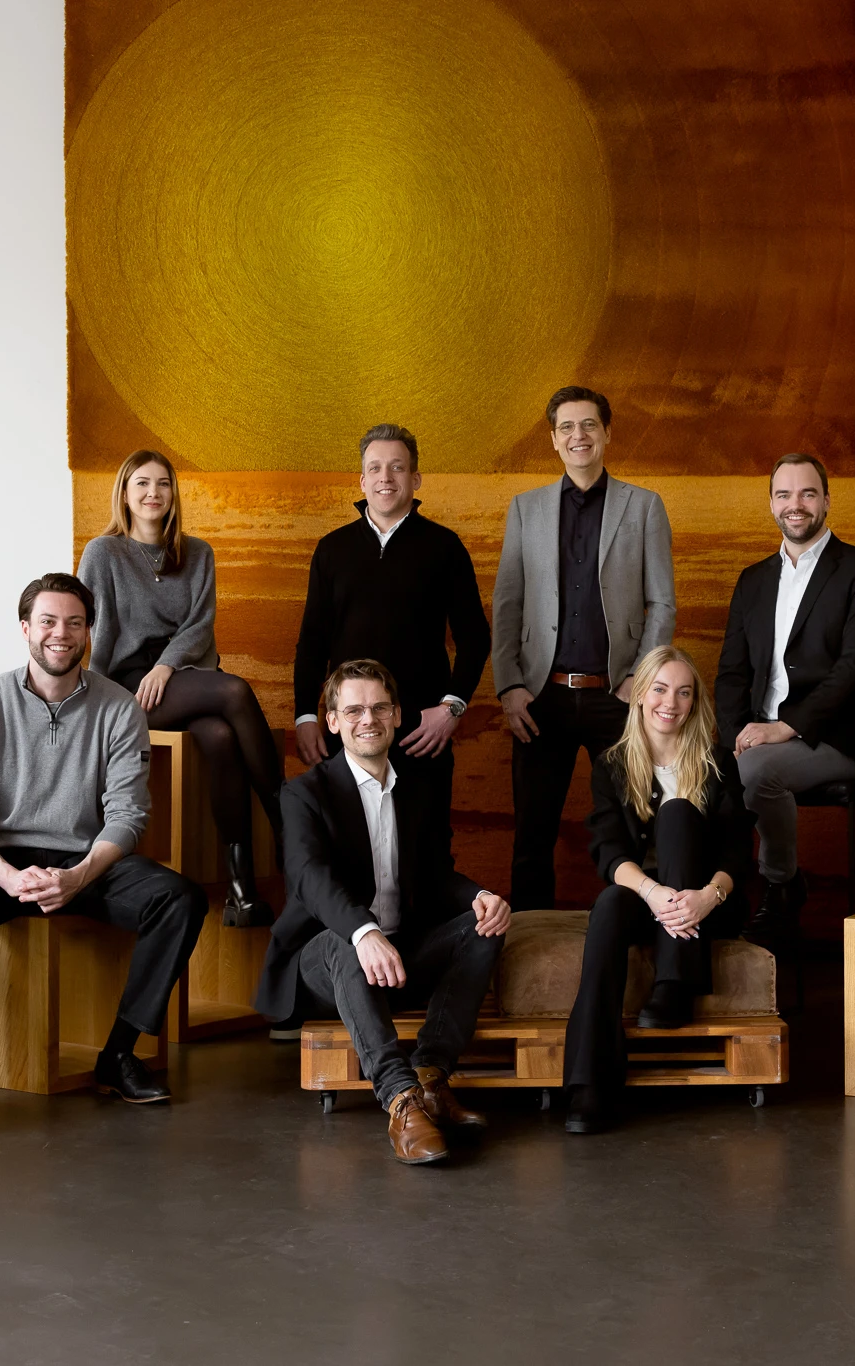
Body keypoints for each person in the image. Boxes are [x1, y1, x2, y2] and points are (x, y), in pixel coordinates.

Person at [0, 573, 207, 1122]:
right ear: (25, 628)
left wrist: (79, 875)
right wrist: (5, 875)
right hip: (3, 861)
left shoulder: (119, 708)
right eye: (48, 621)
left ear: (88, 631)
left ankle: (118, 1054)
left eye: (75, 623)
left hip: (84, 860)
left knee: (180, 898)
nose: (61, 633)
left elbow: (128, 814)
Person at [254, 659, 512, 1165]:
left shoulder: (417, 788)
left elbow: (436, 875)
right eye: (353, 710)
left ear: (396, 715)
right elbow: (309, 878)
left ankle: (432, 1079)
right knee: (344, 941)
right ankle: (401, 1100)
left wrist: (479, 896)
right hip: (325, 966)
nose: (367, 719)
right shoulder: (304, 793)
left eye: (378, 708)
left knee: (484, 926)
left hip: (400, 956)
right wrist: (363, 931)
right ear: (333, 721)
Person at [76, 449, 286, 927]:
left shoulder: (198, 553)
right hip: (129, 683)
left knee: (220, 736)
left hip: (183, 674)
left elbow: (200, 625)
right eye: (142, 483)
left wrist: (167, 666)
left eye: (163, 484)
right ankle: (289, 825)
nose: (153, 493)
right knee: (234, 692)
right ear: (124, 494)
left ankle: (241, 891)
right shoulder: (103, 552)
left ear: (174, 494)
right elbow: (94, 629)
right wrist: (98, 704)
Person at [492, 386, 676, 911]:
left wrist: (640, 682)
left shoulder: (644, 506)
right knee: (532, 834)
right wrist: (509, 686)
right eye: (567, 427)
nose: (579, 435)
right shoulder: (525, 509)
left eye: (589, 424)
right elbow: (507, 602)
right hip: (540, 697)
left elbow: (662, 604)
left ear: (607, 433)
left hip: (616, 697)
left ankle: (636, 933)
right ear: (554, 439)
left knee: (633, 827)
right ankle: (528, 940)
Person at [564, 646, 753, 1135]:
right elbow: (609, 853)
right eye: (661, 689)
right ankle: (588, 1081)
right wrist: (652, 893)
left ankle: (674, 983)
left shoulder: (716, 763)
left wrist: (706, 896)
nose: (671, 702)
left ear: (694, 702)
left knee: (677, 813)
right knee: (610, 905)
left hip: (709, 902)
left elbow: (737, 853)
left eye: (684, 693)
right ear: (640, 695)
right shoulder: (611, 765)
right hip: (646, 898)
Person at [714, 452, 855, 935]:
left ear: (826, 500)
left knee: (755, 771)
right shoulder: (752, 580)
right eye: (784, 494)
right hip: (756, 736)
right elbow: (730, 673)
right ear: (771, 503)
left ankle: (781, 883)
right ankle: (711, 902)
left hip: (832, 737)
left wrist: (784, 729)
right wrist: (734, 737)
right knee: (701, 771)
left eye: (808, 493)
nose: (796, 504)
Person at [292, 423, 490, 816]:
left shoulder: (445, 547)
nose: (386, 477)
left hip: (421, 731)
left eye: (397, 467)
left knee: (426, 840)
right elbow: (313, 641)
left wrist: (451, 708)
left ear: (415, 479)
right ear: (362, 481)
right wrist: (305, 716)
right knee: (348, 838)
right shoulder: (332, 550)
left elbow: (475, 637)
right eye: (376, 468)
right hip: (348, 728)